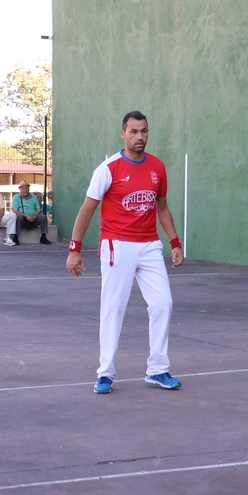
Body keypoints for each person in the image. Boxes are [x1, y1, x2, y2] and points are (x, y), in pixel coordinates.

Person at [65, 110, 185, 394]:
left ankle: (157, 370)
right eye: (133, 131)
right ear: (123, 134)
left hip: (150, 246)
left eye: (143, 131)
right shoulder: (108, 169)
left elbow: (162, 208)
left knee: (163, 304)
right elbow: (87, 209)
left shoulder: (157, 167)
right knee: (113, 308)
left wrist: (175, 242)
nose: (139, 136)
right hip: (116, 244)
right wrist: (74, 249)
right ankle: (105, 373)